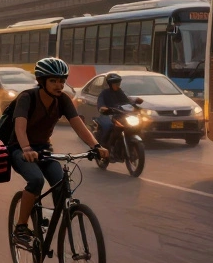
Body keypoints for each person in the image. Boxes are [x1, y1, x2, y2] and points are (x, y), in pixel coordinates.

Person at [9, 58, 108, 243]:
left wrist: (96, 146)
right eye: (53, 81)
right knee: (36, 180)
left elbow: (79, 126)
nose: (59, 85)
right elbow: (19, 128)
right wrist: (26, 149)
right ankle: (21, 228)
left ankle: (57, 220)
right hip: (20, 149)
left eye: (62, 81)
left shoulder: (63, 100)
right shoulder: (27, 98)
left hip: (44, 150)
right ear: (42, 81)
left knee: (61, 183)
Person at [95, 73, 144, 145]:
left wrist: (136, 103)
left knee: (136, 123)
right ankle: (103, 146)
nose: (118, 85)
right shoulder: (104, 93)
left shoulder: (120, 92)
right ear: (110, 84)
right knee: (108, 126)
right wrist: (103, 107)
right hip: (108, 114)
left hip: (119, 115)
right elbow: (100, 103)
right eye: (115, 83)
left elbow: (127, 101)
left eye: (118, 83)